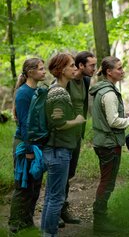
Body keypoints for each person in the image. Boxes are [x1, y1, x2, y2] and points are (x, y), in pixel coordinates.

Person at [89, 56, 129, 234]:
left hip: (105, 142)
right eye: (119, 68)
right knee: (107, 183)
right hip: (109, 144)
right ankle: (100, 222)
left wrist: (125, 113)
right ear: (109, 72)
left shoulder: (104, 90)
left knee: (106, 181)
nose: (122, 70)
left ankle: (101, 218)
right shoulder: (109, 93)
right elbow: (113, 122)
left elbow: (108, 115)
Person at [41, 53, 86, 237]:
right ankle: (50, 234)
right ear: (61, 70)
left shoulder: (58, 89)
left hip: (56, 149)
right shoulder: (59, 92)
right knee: (56, 198)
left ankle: (45, 233)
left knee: (50, 196)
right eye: (72, 65)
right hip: (58, 150)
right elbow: (58, 124)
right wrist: (77, 121)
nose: (75, 68)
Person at [8, 58, 46, 233]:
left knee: (35, 185)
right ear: (30, 72)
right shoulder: (24, 93)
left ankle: (28, 220)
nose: (44, 72)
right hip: (25, 144)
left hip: (37, 144)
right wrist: (30, 150)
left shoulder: (38, 90)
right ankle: (15, 223)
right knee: (23, 184)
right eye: (41, 69)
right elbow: (24, 124)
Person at [60, 51, 97, 225]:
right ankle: (57, 209)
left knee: (70, 172)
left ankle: (61, 207)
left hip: (76, 133)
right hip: (64, 132)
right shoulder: (66, 82)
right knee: (62, 172)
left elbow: (82, 106)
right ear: (81, 65)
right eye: (92, 65)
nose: (94, 69)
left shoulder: (87, 81)